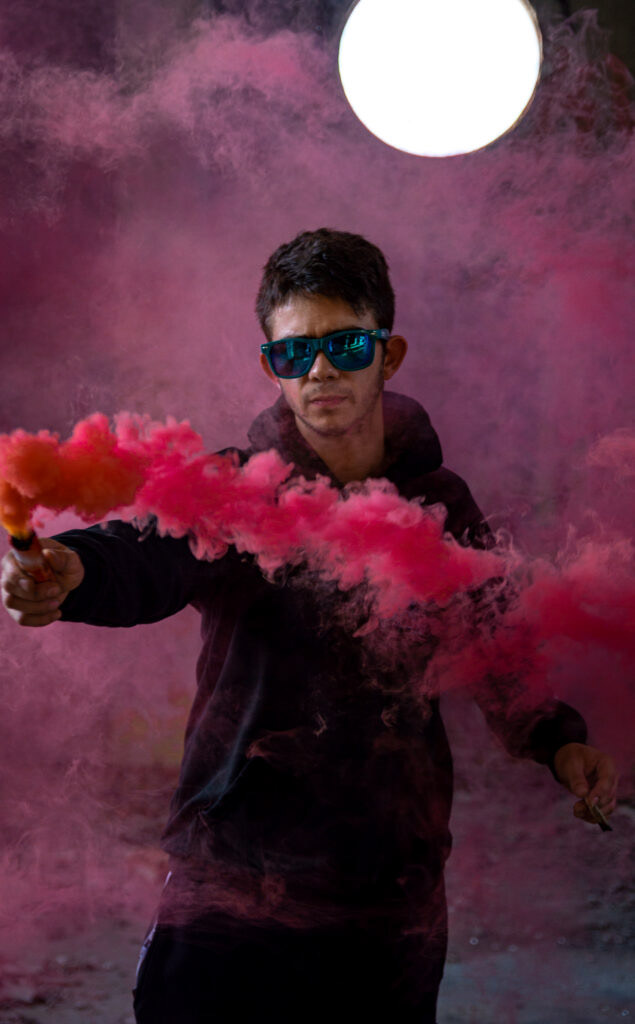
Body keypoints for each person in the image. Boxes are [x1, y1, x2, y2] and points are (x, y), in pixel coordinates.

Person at [1, 229, 618, 1023]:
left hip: (389, 889)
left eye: (344, 345)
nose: (319, 369)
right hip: (230, 878)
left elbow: (491, 644)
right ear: (273, 369)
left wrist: (559, 743)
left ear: (387, 355)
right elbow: (144, 554)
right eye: (294, 352)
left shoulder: (442, 503)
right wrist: (72, 572)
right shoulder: (235, 491)